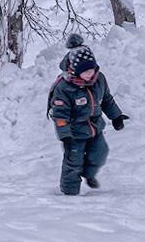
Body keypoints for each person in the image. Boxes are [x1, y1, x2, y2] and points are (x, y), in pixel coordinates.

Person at [49, 46, 128, 195]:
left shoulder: (99, 80)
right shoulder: (64, 88)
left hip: (95, 128)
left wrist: (116, 117)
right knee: (74, 163)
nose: (90, 74)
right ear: (75, 71)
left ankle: (88, 173)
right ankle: (69, 193)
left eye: (91, 69)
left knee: (100, 153)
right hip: (73, 134)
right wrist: (64, 134)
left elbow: (106, 100)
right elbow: (60, 115)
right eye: (85, 71)